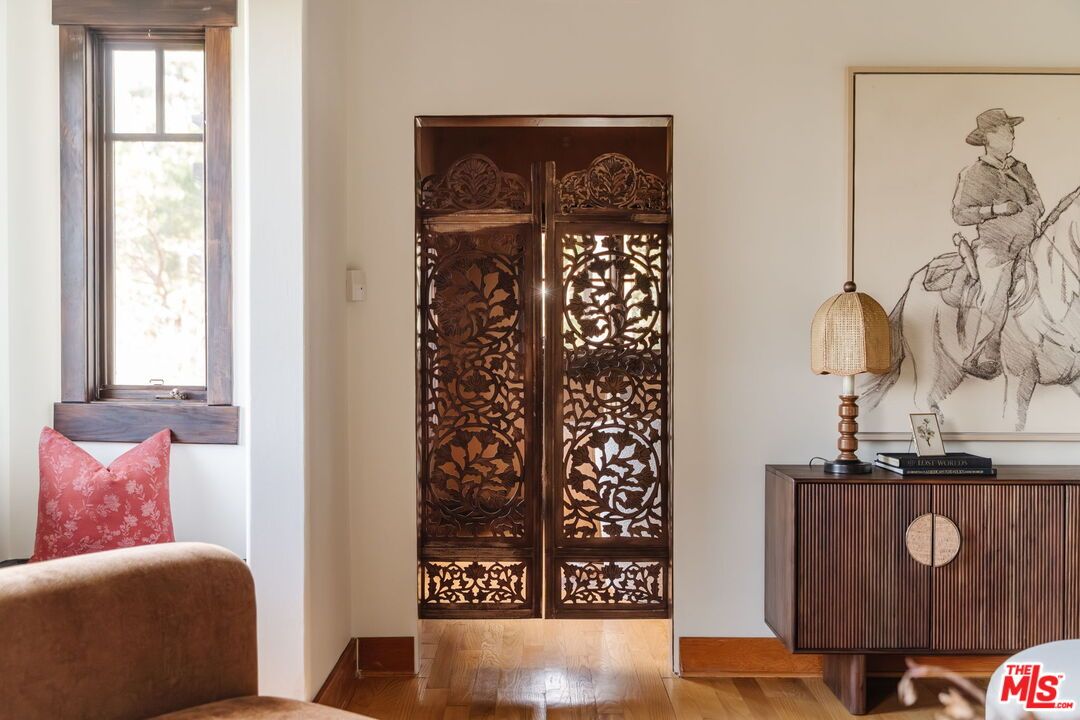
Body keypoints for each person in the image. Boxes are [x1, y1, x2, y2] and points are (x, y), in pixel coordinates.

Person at [951, 108, 1044, 379]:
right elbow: (959, 214)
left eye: (1011, 129)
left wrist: (1030, 212)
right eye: (1005, 129)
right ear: (989, 136)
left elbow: (1038, 202)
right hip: (996, 247)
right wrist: (996, 209)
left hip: (1029, 242)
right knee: (998, 289)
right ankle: (987, 351)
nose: (1012, 134)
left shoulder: (1020, 169)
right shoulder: (973, 173)